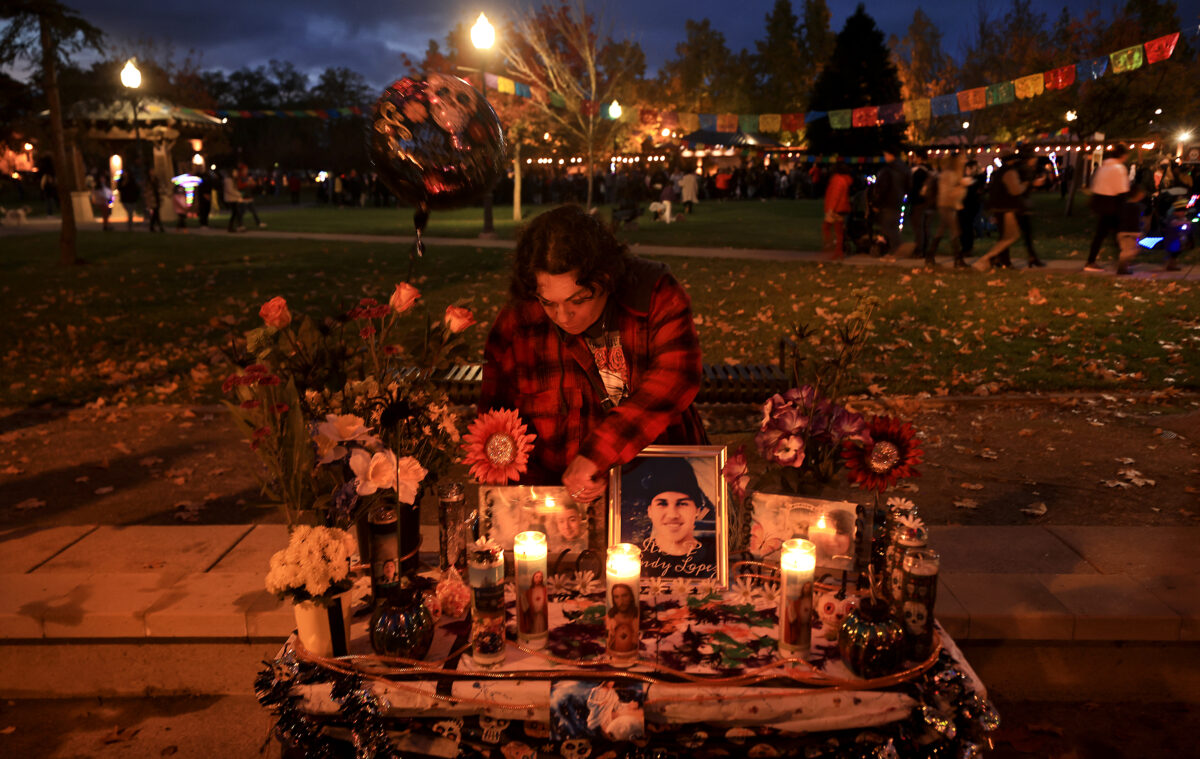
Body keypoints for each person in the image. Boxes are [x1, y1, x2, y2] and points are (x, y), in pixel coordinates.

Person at [479, 205, 707, 503]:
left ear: (606, 279)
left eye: (579, 299)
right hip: (559, 501)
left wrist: (597, 454)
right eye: (548, 302)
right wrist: (534, 500)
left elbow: (676, 377)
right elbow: (499, 426)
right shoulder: (519, 321)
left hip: (658, 484)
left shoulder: (654, 294)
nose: (563, 316)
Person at [624, 456, 716, 579]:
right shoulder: (631, 559)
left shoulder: (715, 558)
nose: (672, 514)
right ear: (650, 511)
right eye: (662, 503)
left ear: (697, 510)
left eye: (682, 503)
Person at [974, 153, 1044, 270]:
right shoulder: (1010, 172)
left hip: (999, 207)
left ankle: (997, 260)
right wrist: (1026, 184)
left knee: (1007, 237)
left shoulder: (999, 172)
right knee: (1010, 236)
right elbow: (1016, 190)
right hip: (1007, 209)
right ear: (1012, 161)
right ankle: (986, 259)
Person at [1085, 144, 1132, 272]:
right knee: (1119, 235)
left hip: (1101, 203)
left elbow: (1095, 185)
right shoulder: (1119, 168)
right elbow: (1122, 189)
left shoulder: (1102, 167)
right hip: (1114, 204)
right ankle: (1122, 264)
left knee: (1101, 234)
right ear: (1123, 155)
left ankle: (1091, 260)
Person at [929, 153, 968, 267]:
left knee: (941, 231)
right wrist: (962, 186)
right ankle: (958, 259)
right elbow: (949, 192)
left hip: (944, 205)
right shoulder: (950, 175)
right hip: (947, 205)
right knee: (955, 231)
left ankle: (930, 256)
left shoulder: (948, 174)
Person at [872, 147, 911, 255]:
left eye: (886, 155)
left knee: (887, 226)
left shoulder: (888, 170)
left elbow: (883, 188)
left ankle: (896, 248)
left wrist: (877, 203)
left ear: (890, 155)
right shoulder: (904, 168)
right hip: (899, 201)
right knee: (892, 226)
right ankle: (895, 248)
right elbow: (908, 185)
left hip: (888, 202)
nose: (885, 157)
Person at [822, 162, 852, 259]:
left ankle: (831, 247)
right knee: (839, 231)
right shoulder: (844, 180)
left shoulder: (837, 180)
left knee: (826, 227)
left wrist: (831, 209)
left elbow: (835, 196)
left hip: (836, 209)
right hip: (842, 208)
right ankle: (838, 251)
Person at [605, 582, 639, 654]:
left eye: (624, 596)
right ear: (613, 599)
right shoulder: (611, 617)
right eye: (616, 597)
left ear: (631, 597)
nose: (621, 601)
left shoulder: (636, 615)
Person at [520, 569, 548, 634]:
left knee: (542, 629)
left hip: (542, 616)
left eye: (540, 577)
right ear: (533, 578)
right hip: (533, 617)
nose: (539, 579)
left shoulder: (544, 590)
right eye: (536, 577)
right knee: (534, 630)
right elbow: (525, 604)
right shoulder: (529, 591)